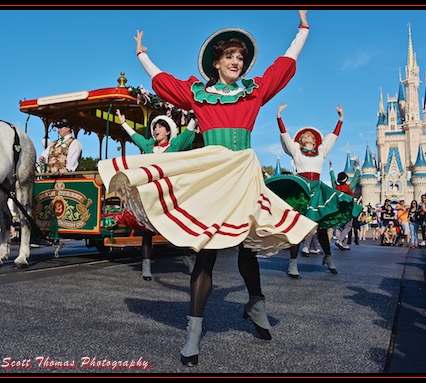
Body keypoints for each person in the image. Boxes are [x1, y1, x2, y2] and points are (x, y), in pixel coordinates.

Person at [98, 10, 317, 367]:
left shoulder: (253, 91)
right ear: (216, 62)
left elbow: (284, 64)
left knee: (247, 244)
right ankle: (194, 331)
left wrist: (303, 29)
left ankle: (256, 302)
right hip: (215, 174)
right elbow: (165, 82)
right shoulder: (199, 94)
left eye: (240, 57)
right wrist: (142, 55)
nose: (236, 61)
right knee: (207, 251)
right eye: (229, 56)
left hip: (244, 172)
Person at [266, 102, 361, 278]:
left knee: (322, 228)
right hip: (301, 190)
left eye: (311, 135)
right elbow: (285, 136)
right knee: (298, 227)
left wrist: (340, 119)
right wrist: (279, 117)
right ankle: (293, 263)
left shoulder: (321, 151)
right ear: (301, 141)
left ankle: (328, 257)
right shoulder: (295, 151)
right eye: (305, 135)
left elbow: (333, 137)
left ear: (315, 140)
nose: (308, 136)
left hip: (317, 190)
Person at [115, 109, 197, 280]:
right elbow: (136, 138)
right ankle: (146, 265)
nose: (157, 129)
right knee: (147, 231)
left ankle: (187, 258)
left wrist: (195, 115)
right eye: (155, 126)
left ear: (168, 131)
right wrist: (123, 123)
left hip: (168, 193)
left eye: (161, 126)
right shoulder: (148, 147)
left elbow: (189, 131)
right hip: (150, 193)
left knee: (175, 227)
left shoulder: (175, 146)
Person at [331, 158, 363, 250]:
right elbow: (356, 178)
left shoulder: (335, 187)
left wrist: (331, 169)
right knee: (348, 226)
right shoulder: (349, 188)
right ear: (346, 179)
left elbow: (333, 180)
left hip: (339, 209)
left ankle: (344, 244)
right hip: (348, 210)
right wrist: (358, 167)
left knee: (342, 226)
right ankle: (340, 240)